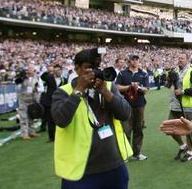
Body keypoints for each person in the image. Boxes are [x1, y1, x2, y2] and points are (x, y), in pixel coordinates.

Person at [52, 48, 132, 189]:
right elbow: (60, 120)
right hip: (80, 171)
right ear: (77, 69)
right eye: (88, 68)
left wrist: (106, 92)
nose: (93, 72)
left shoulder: (107, 87)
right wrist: (79, 90)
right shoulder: (64, 92)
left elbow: (125, 114)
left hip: (114, 166)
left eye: (96, 67)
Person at [165, 53, 192, 162]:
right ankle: (182, 146)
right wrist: (168, 80)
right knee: (169, 129)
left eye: (182, 58)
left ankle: (190, 151)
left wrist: (183, 91)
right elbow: (167, 86)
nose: (180, 60)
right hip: (175, 106)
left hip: (188, 107)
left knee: (190, 130)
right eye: (179, 58)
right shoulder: (175, 71)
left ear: (187, 60)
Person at [115, 55, 149, 160]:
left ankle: (137, 153)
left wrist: (137, 87)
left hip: (139, 105)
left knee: (139, 129)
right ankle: (125, 153)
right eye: (133, 59)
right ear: (129, 61)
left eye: (137, 59)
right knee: (126, 130)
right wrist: (129, 86)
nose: (135, 61)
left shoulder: (144, 73)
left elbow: (146, 89)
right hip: (126, 105)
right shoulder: (122, 73)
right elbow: (117, 87)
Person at [41, 64, 67, 142]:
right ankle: (51, 137)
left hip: (61, 101)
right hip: (50, 102)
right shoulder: (49, 77)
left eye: (59, 70)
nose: (57, 72)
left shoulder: (64, 79)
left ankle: (62, 136)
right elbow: (42, 77)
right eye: (55, 71)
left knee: (61, 119)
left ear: (61, 71)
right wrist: (48, 71)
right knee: (50, 120)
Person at [16, 66, 40, 140]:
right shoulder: (22, 78)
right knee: (23, 117)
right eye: (29, 69)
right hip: (23, 100)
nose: (30, 71)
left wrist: (36, 99)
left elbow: (37, 88)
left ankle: (32, 132)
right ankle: (24, 134)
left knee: (31, 116)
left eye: (31, 69)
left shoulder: (36, 78)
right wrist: (21, 78)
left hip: (32, 99)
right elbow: (18, 88)